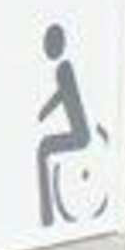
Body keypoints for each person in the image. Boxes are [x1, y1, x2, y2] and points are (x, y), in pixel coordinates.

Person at [36, 23, 91, 226]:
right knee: (44, 148)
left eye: (50, 44)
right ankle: (48, 211)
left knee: (43, 149)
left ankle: (47, 212)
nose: (47, 48)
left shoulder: (63, 68)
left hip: (80, 133)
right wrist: (44, 112)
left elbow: (64, 94)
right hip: (79, 131)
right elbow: (62, 95)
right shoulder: (64, 68)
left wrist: (44, 112)